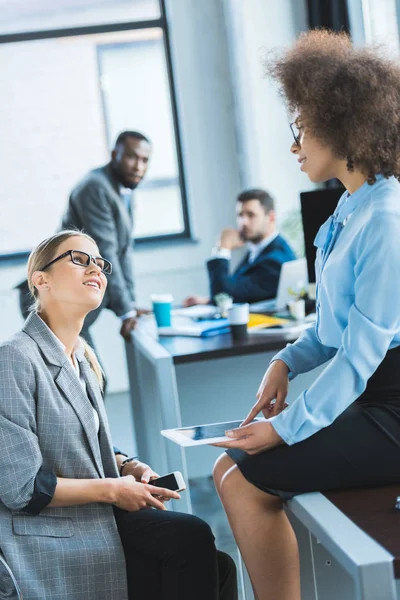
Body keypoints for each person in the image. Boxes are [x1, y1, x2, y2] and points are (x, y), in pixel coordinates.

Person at [212, 30, 400, 600]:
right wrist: (285, 362)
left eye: (300, 129)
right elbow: (330, 331)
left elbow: (360, 357)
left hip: (392, 409)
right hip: (373, 397)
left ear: (346, 126)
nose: (293, 146)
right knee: (229, 468)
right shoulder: (350, 207)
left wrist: (285, 428)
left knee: (242, 477)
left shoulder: (387, 218)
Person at [0, 230, 238, 600]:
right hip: (51, 535)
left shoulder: (82, 357)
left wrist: (127, 466)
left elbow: (81, 445)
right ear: (40, 280)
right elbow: (22, 488)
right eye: (79, 258)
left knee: (218, 565)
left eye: (100, 262)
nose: (95, 267)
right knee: (191, 540)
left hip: (94, 517)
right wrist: (114, 488)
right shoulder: (14, 358)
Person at [17, 130, 151, 349]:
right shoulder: (95, 187)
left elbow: (123, 252)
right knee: (88, 380)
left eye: (145, 160)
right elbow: (106, 253)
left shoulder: (122, 191)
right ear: (114, 154)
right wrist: (126, 313)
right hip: (51, 300)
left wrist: (130, 305)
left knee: (90, 380)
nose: (139, 167)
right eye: (131, 157)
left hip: (68, 299)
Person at [183, 188, 296, 307]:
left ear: (271, 217)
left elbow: (222, 299)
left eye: (251, 215)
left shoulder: (275, 260)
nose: (244, 222)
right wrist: (206, 301)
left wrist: (223, 249)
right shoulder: (258, 250)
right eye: (240, 215)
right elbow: (238, 291)